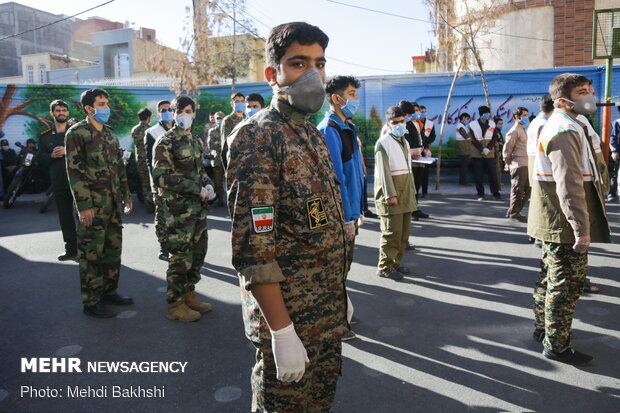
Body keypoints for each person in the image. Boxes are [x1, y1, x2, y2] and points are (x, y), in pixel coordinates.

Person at [227, 22, 348, 412]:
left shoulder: (309, 134)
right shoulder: (258, 136)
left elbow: (318, 221)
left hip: (324, 314)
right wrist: (281, 330)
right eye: (298, 63)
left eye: (319, 63)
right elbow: (255, 249)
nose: (313, 74)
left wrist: (339, 291)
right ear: (272, 74)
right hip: (290, 318)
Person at [528, 73, 610, 365]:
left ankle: (544, 329)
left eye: (589, 89)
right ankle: (557, 345)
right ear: (562, 101)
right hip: (563, 221)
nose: (590, 96)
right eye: (582, 92)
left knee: (550, 277)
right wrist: (581, 230)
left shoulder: (574, 123)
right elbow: (569, 185)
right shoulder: (564, 129)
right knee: (567, 285)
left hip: (555, 217)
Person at [65, 88, 133, 318]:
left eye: (106, 103)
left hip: (112, 204)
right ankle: (91, 301)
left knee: (113, 251)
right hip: (92, 205)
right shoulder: (77, 133)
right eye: (101, 104)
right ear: (88, 108)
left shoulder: (109, 134)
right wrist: (84, 206)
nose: (106, 108)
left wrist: (126, 195)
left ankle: (109, 292)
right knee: (91, 253)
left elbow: (119, 167)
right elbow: (74, 172)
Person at [152, 95, 215, 322]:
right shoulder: (166, 142)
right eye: (182, 110)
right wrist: (194, 188)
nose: (186, 115)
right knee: (180, 257)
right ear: (174, 112)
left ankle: (189, 294)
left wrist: (208, 184)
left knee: (198, 253)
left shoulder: (195, 140)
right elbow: (160, 177)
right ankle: (175, 305)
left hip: (198, 210)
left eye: (190, 111)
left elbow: (201, 171)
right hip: (178, 211)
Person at [318, 74, 365, 341]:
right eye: (352, 94)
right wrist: (346, 216)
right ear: (337, 99)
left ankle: (341, 314)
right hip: (339, 216)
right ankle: (334, 324)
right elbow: (335, 179)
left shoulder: (347, 126)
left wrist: (357, 211)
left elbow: (354, 174)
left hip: (350, 213)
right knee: (334, 272)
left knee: (342, 270)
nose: (356, 99)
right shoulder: (330, 129)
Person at [375, 106, 417, 281]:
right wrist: (390, 195)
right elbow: (384, 173)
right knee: (391, 234)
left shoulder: (405, 141)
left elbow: (407, 169)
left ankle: (395, 264)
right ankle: (384, 267)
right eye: (395, 122)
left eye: (402, 121)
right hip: (391, 196)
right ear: (388, 124)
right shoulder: (383, 143)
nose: (399, 124)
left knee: (402, 235)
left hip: (405, 194)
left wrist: (412, 191)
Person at [37, 99, 78, 261]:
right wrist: (51, 155)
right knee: (65, 216)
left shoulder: (75, 132)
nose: (61, 113)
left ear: (68, 113)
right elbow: (39, 158)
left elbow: (87, 152)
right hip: (59, 182)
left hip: (78, 181)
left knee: (84, 216)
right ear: (52, 113)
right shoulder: (45, 137)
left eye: (64, 110)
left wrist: (67, 151)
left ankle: (88, 248)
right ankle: (71, 249)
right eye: (58, 111)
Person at [146, 100, 174, 261]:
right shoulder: (152, 132)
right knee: (162, 215)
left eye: (170, 109)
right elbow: (150, 160)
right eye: (164, 110)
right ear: (158, 114)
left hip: (177, 181)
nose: (168, 112)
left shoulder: (180, 128)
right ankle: (164, 248)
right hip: (160, 182)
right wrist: (158, 182)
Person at [397, 100, 428, 221]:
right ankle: (409, 210)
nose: (414, 115)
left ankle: (415, 209)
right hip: (408, 161)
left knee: (416, 186)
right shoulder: (399, 127)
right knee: (409, 187)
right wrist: (413, 151)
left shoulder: (414, 124)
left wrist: (424, 149)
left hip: (417, 159)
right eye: (410, 114)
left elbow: (420, 140)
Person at [503, 107, 530, 222]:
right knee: (518, 190)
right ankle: (514, 213)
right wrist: (508, 163)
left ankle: (513, 210)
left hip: (527, 163)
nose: (526, 117)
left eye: (527, 115)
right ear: (517, 117)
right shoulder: (514, 131)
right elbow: (507, 149)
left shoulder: (523, 129)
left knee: (528, 190)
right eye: (524, 115)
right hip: (518, 164)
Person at [469, 105, 501, 200]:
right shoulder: (473, 124)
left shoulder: (492, 124)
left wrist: (488, 148)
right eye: (486, 113)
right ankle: (480, 194)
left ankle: (496, 193)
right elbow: (472, 138)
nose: (488, 115)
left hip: (489, 152)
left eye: (488, 113)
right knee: (478, 175)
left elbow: (495, 137)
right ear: (481, 114)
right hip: (477, 152)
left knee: (493, 174)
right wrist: (481, 148)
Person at [131, 107, 154, 212]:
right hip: (149, 160)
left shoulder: (134, 129)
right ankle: (153, 206)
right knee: (151, 183)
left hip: (139, 160)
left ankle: (148, 205)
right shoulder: (150, 130)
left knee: (144, 183)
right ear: (148, 118)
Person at [220, 92, 246, 169]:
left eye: (242, 101)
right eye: (237, 101)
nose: (240, 103)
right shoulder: (228, 120)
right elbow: (225, 144)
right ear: (232, 104)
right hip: (235, 160)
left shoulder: (248, 119)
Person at [206, 111, 226, 207]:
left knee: (230, 182)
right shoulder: (212, 131)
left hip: (227, 160)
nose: (219, 120)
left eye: (221, 118)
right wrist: (221, 146)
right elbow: (211, 145)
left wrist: (219, 144)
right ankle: (220, 200)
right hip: (217, 160)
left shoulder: (228, 130)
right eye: (217, 118)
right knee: (218, 183)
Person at [418, 105, 435, 197]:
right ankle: (415, 191)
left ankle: (425, 192)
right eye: (422, 112)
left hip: (426, 149)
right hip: (416, 150)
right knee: (417, 171)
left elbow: (433, 136)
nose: (423, 113)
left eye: (425, 112)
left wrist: (427, 142)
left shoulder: (430, 123)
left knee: (425, 171)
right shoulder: (415, 123)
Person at [455, 113, 472, 185]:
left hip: (465, 148)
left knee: (464, 166)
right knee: (464, 166)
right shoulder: (460, 126)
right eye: (467, 118)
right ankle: (463, 182)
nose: (468, 120)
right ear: (463, 118)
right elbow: (466, 136)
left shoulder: (464, 126)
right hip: (463, 148)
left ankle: (463, 181)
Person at [609, 106, 620, 201]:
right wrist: (614, 151)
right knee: (614, 172)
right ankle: (612, 193)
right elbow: (613, 137)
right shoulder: (617, 122)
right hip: (618, 152)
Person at [494, 116, 505, 189]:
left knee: (499, 170)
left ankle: (498, 183)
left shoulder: (498, 132)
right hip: (496, 154)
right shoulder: (495, 132)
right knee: (497, 170)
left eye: (502, 123)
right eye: (499, 123)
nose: (501, 125)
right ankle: (497, 185)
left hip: (500, 154)